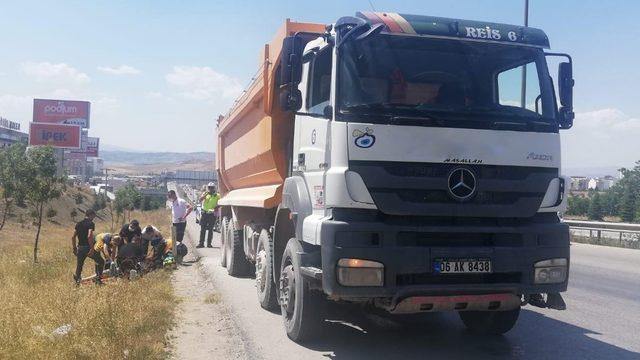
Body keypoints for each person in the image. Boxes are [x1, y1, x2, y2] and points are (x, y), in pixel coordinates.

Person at [72, 209, 103, 285]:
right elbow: (89, 236)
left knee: (79, 265)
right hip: (88, 247)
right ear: (91, 215)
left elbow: (73, 237)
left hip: (80, 248)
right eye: (94, 216)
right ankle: (98, 279)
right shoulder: (90, 223)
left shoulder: (78, 224)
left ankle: (77, 282)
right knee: (101, 261)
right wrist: (92, 248)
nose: (94, 217)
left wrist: (74, 248)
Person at [198, 182, 220, 248]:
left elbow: (220, 203)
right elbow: (200, 200)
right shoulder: (205, 194)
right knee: (202, 229)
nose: (210, 189)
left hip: (212, 214)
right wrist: (204, 195)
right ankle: (201, 244)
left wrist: (217, 207)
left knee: (210, 230)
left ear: (214, 188)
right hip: (204, 213)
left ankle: (209, 244)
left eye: (212, 187)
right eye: (209, 187)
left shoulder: (217, 195)